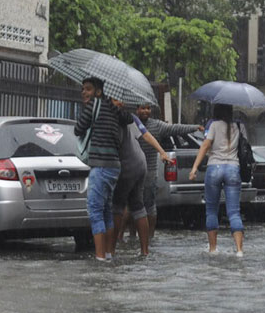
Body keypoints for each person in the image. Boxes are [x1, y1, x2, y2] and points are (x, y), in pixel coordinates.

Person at [74, 77, 135, 261]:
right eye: (83, 89)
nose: (84, 92)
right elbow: (129, 118)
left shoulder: (93, 106)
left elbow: (78, 129)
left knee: (94, 211)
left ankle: (99, 257)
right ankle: (108, 254)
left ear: (98, 92)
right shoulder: (113, 108)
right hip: (114, 167)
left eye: (89, 89)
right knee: (106, 210)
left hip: (100, 167)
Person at [134, 103, 203, 248]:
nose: (145, 111)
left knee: (149, 205)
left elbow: (175, 128)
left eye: (148, 108)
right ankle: (130, 236)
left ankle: (149, 237)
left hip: (150, 171)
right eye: (142, 108)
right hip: (132, 170)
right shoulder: (131, 123)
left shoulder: (157, 126)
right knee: (130, 206)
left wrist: (194, 127)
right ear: (136, 109)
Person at [109, 104, 174, 257]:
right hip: (140, 163)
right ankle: (144, 251)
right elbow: (146, 135)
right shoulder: (131, 118)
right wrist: (162, 151)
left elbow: (146, 135)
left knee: (118, 207)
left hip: (127, 165)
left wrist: (162, 152)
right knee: (137, 206)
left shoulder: (120, 118)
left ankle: (110, 250)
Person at [188, 103, 245, 256]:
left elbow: (205, 145)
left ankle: (213, 249)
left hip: (215, 168)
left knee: (211, 210)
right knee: (234, 212)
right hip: (233, 168)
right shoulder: (237, 126)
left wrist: (194, 168)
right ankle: (239, 250)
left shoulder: (213, 125)